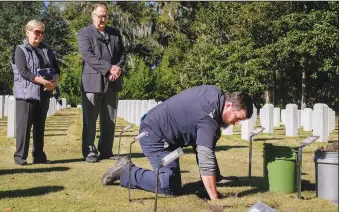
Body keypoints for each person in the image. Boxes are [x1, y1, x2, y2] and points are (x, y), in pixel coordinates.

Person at [101, 85, 253, 200]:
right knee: (169, 186)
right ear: (229, 105)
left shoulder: (215, 94)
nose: (237, 123)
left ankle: (213, 180)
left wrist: (217, 178)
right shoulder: (208, 119)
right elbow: (205, 155)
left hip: (168, 136)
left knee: (175, 176)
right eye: (237, 117)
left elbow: (204, 144)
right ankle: (127, 171)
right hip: (155, 136)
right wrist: (214, 197)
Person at [78, 3, 126, 163]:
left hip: (113, 83)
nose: (103, 19)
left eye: (105, 16)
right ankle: (89, 151)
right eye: (100, 16)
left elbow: (122, 54)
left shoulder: (115, 33)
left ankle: (106, 150)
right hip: (92, 82)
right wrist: (108, 69)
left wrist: (118, 68)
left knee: (109, 119)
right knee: (90, 120)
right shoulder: (85, 33)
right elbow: (88, 56)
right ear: (93, 16)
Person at [11, 20, 60, 165]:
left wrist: (54, 82)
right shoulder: (20, 50)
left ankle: (39, 156)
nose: (39, 35)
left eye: (42, 32)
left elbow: (56, 69)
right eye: (36, 32)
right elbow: (23, 72)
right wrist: (43, 81)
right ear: (27, 32)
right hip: (26, 94)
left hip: (44, 93)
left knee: (40, 127)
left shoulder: (47, 50)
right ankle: (20, 157)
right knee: (24, 127)